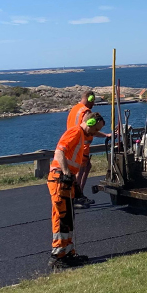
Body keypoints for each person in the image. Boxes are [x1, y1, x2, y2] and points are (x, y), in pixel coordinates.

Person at [49, 111, 105, 269]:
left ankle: (68, 253)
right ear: (90, 123)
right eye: (95, 129)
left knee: (69, 218)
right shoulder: (75, 132)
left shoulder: (81, 135)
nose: (94, 133)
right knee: (62, 218)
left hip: (66, 179)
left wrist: (75, 184)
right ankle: (57, 256)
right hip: (59, 179)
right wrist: (66, 172)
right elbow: (59, 151)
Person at [66, 90, 110, 208]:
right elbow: (90, 129)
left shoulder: (74, 109)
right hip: (81, 146)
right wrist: (105, 135)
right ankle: (76, 197)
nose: (93, 103)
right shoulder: (86, 112)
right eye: (93, 100)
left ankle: (77, 194)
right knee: (79, 171)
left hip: (74, 144)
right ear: (89, 99)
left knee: (85, 167)